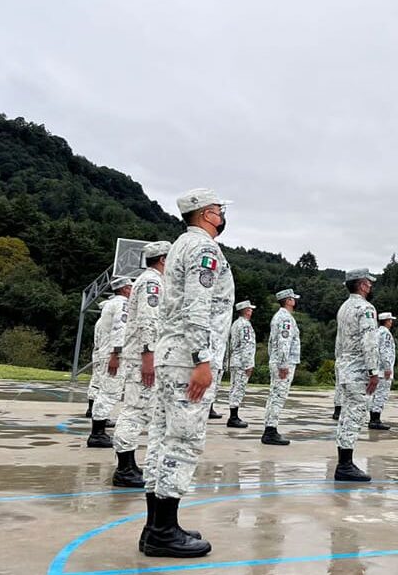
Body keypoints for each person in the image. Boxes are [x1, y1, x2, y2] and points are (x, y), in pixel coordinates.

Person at [142, 188, 234, 558]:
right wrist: (202, 360)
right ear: (208, 214)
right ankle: (163, 532)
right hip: (187, 359)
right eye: (220, 210)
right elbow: (199, 305)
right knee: (183, 441)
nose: (223, 215)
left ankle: (157, 526)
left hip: (170, 355)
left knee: (162, 438)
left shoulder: (179, 245)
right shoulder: (204, 249)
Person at [110, 241, 171, 487]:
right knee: (135, 410)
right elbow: (149, 320)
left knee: (140, 409)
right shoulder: (151, 282)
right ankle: (124, 469)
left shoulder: (150, 280)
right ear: (164, 260)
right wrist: (149, 355)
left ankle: (129, 464)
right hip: (142, 356)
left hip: (144, 354)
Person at [333, 268, 380, 482]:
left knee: (346, 416)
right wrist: (373, 371)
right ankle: (345, 465)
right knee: (355, 415)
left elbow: (339, 341)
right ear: (361, 285)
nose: (370, 286)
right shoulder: (365, 308)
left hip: (344, 366)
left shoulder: (344, 307)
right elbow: (369, 341)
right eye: (368, 283)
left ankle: (344, 461)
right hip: (358, 369)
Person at [88, 276, 133, 448]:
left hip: (106, 353)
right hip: (113, 355)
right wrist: (116, 354)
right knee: (109, 392)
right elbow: (120, 329)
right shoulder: (122, 304)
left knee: (105, 392)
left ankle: (98, 430)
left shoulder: (113, 304)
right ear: (125, 289)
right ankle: (97, 434)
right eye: (130, 287)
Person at [261, 288, 302, 445]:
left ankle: (270, 428)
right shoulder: (285, 318)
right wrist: (284, 364)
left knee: (275, 396)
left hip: (277, 361)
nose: (295, 301)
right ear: (288, 301)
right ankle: (270, 431)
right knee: (278, 396)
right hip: (283, 363)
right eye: (293, 299)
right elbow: (284, 342)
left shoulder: (279, 316)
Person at [226, 301, 257, 429]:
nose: (252, 311)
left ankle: (233, 415)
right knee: (238, 388)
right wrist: (248, 364)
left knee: (234, 387)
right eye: (250, 309)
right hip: (241, 362)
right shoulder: (245, 325)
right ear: (246, 311)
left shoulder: (236, 323)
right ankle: (233, 417)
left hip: (235, 360)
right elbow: (246, 345)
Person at [367, 312, 396, 430]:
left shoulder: (377, 332)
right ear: (387, 321)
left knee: (375, 395)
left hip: (377, 369)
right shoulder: (386, 334)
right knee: (381, 395)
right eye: (390, 320)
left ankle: (373, 418)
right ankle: (376, 419)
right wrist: (388, 367)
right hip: (383, 371)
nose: (391, 322)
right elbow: (385, 351)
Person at [85, 298, 112, 418]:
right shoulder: (106, 323)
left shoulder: (100, 322)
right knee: (103, 384)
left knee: (95, 381)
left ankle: (91, 408)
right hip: (103, 354)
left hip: (98, 353)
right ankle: (99, 412)